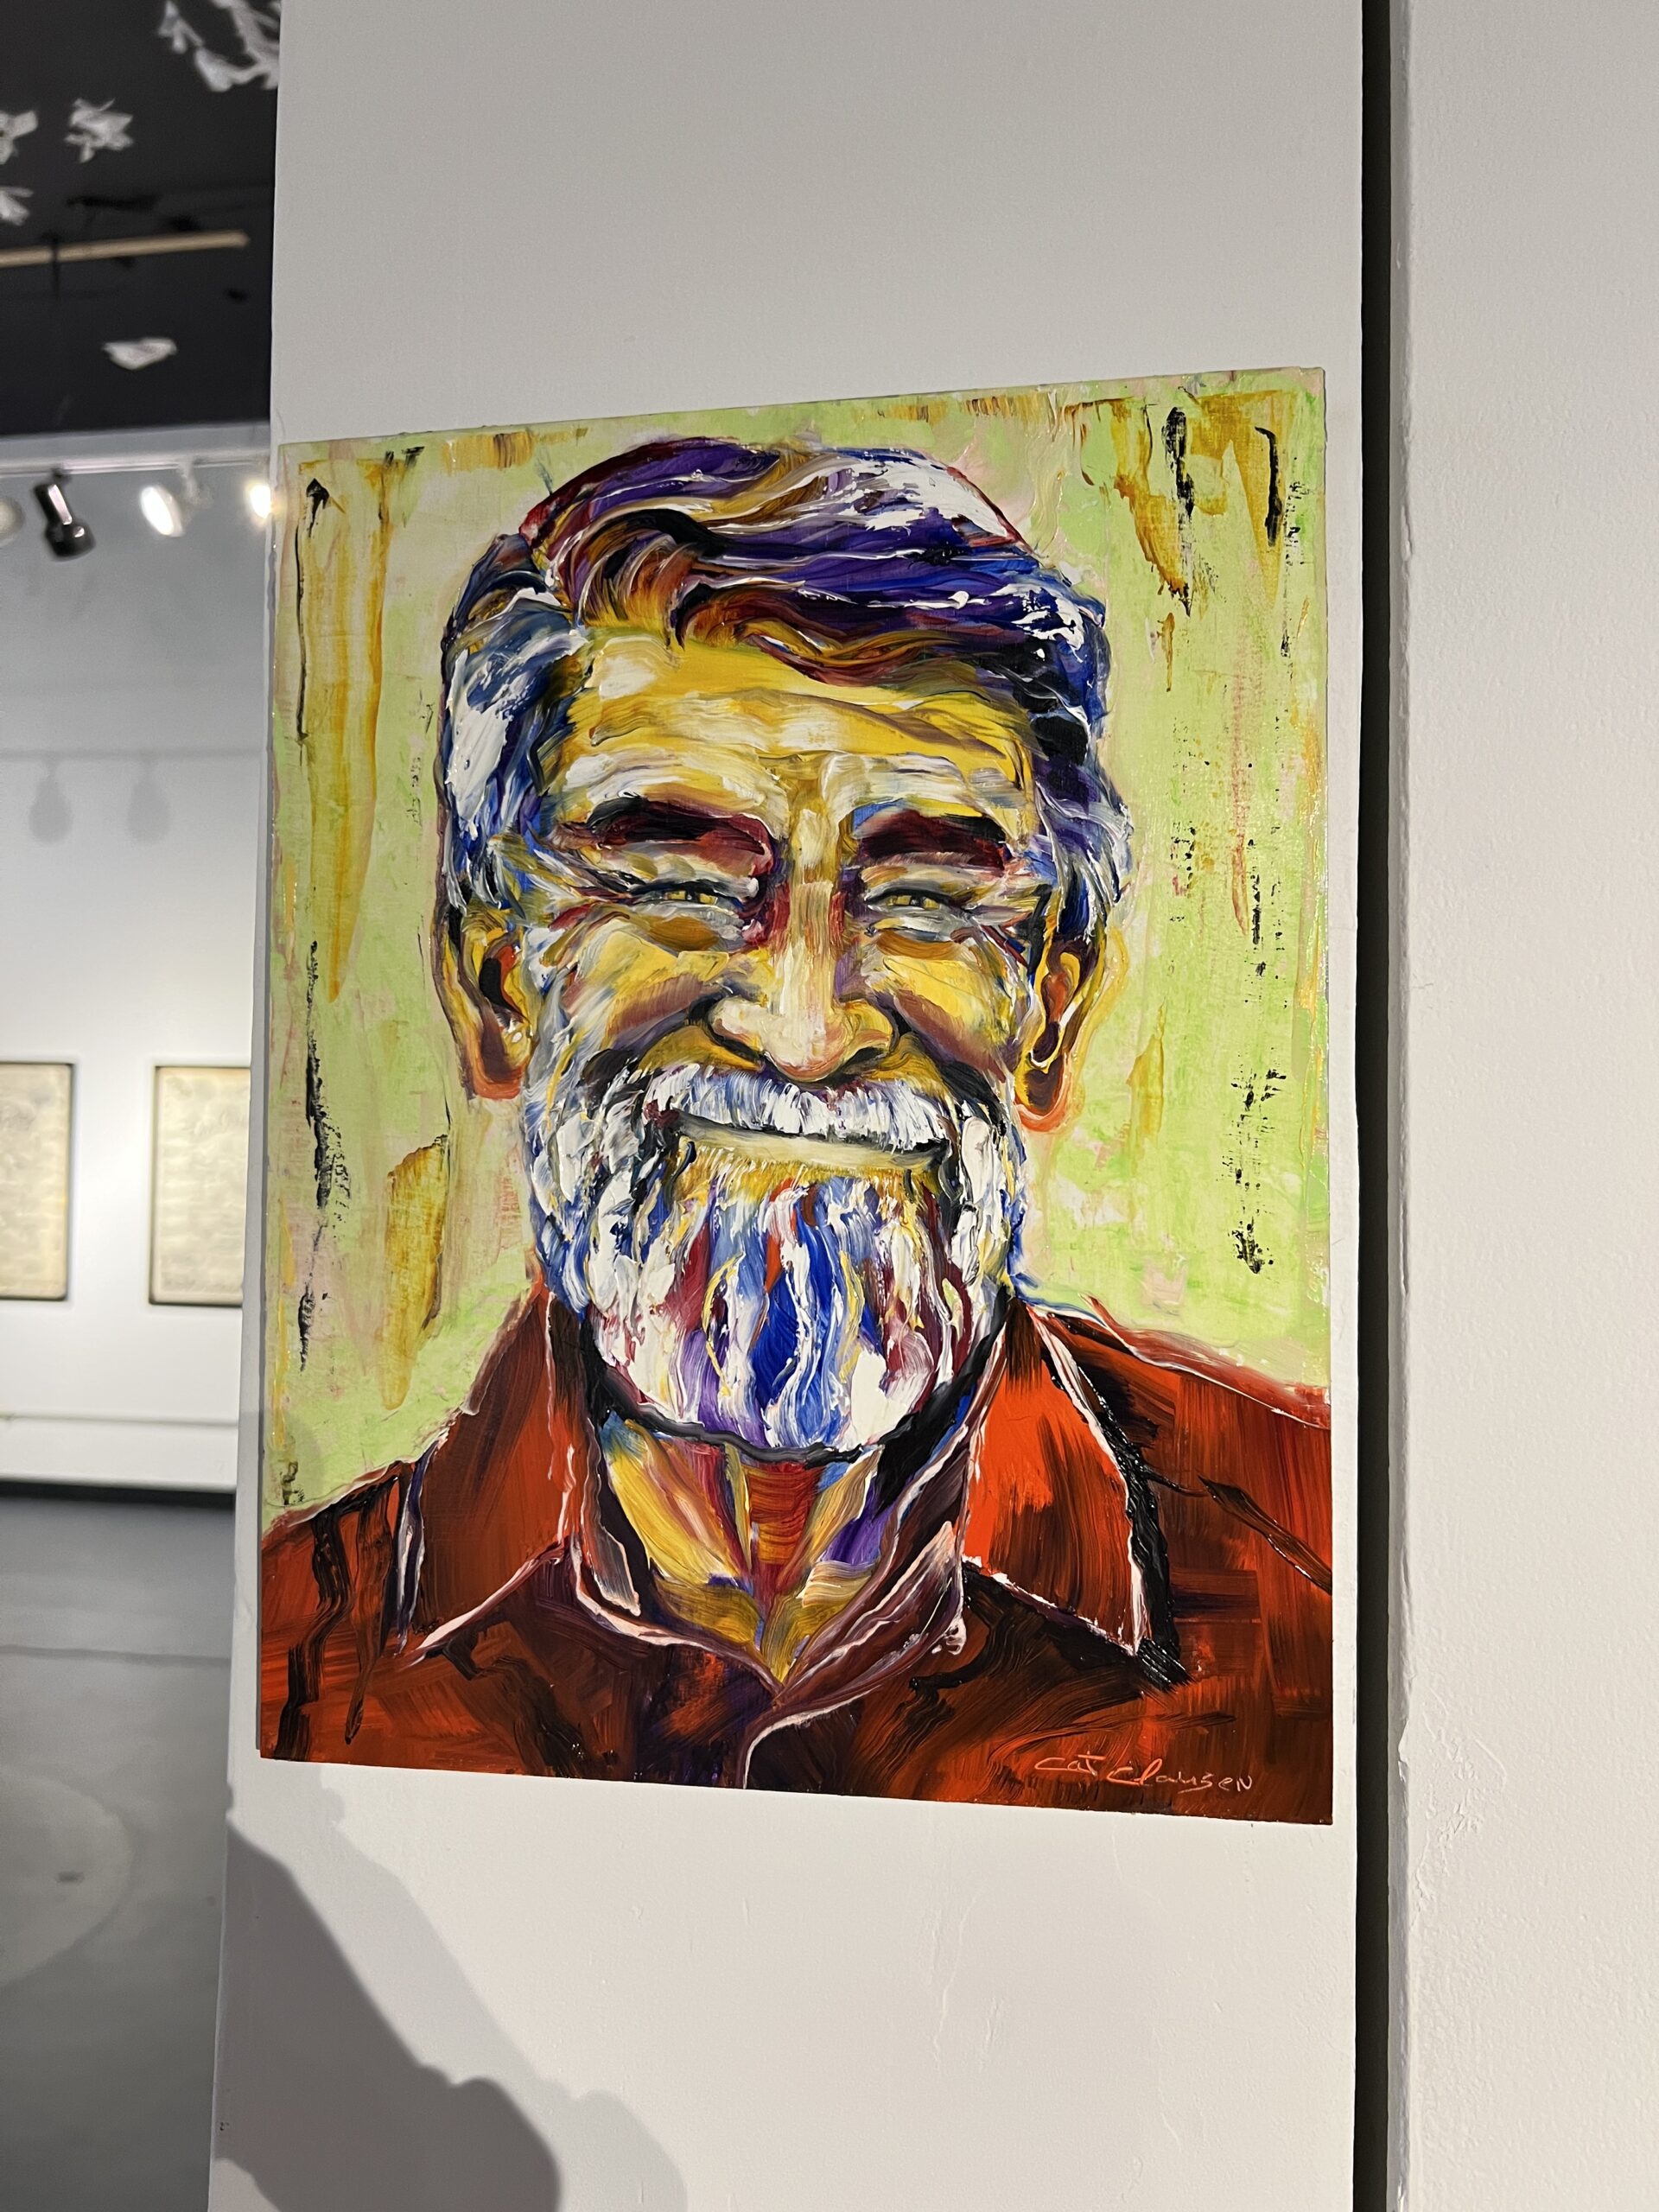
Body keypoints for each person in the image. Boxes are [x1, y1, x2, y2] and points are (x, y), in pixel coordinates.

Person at [262, 436, 1331, 1818]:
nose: (803, 1027)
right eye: (676, 878)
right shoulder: (302, 1650)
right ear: (494, 985)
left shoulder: (1314, 1569)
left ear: (1052, 1007)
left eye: (929, 894)